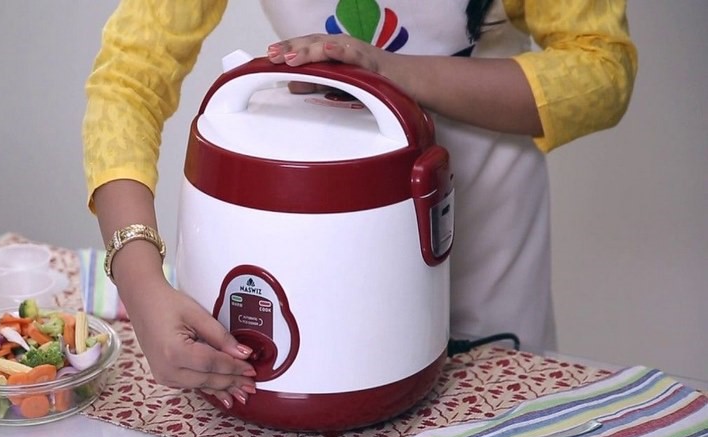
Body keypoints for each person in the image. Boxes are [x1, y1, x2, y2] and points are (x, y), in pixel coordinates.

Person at [82, 0, 637, 409]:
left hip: (484, 233)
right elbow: (131, 79)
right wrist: (141, 282)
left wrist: (394, 72)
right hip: (328, 224)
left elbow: (602, 71)